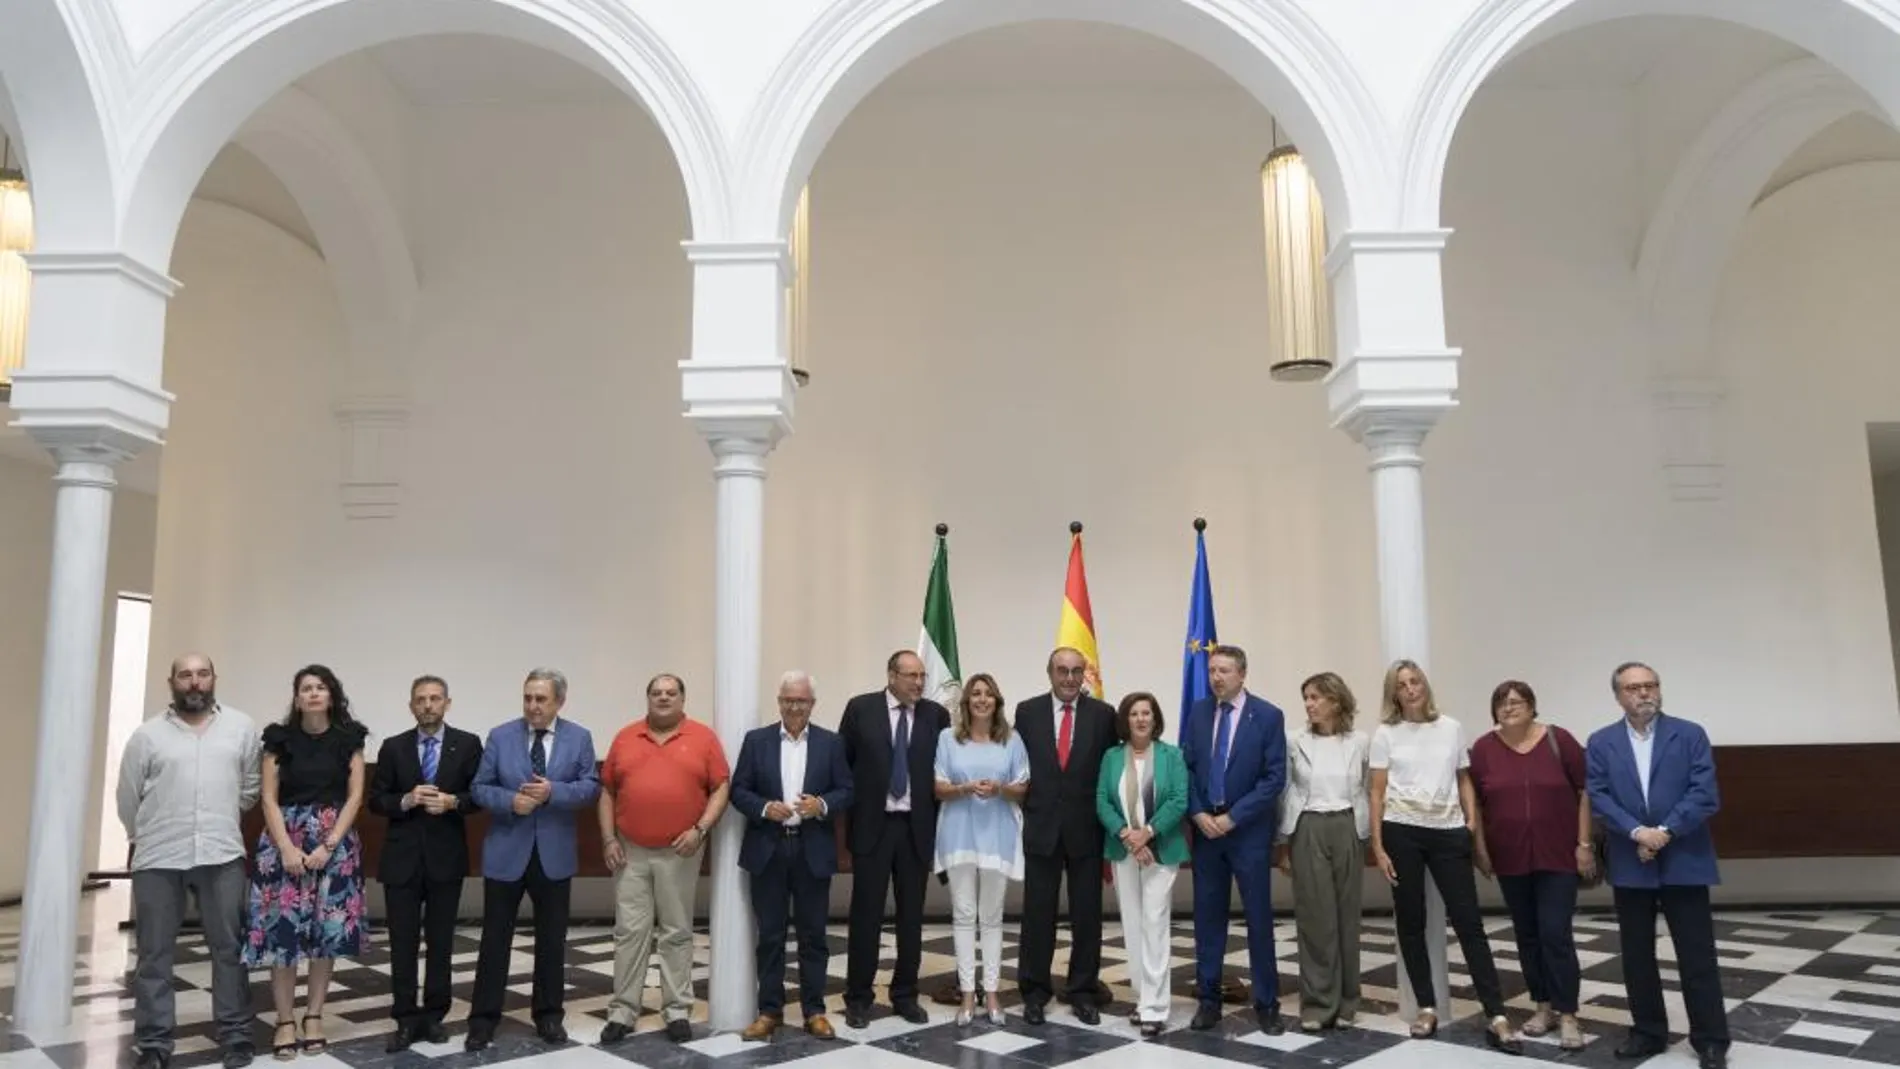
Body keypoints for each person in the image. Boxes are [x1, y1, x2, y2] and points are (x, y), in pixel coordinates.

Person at [1368, 659, 1520, 1054]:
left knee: (1469, 922)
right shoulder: (1385, 733)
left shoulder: (1450, 728)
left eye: (1415, 681)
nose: (1411, 689)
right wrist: (1379, 846)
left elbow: (1463, 777)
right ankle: (1426, 1006)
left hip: (1448, 832)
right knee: (1411, 922)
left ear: (1425, 685)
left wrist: (1470, 821)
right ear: (1394, 693)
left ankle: (1496, 1013)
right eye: (1402, 685)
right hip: (1402, 832)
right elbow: (1377, 793)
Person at [118, 654, 261, 1069]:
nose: (194, 682)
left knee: (229, 949)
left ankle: (235, 1036)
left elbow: (249, 787)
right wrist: (143, 834)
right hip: (160, 855)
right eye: (185, 675)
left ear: (214, 678)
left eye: (202, 674)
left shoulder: (241, 728)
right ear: (172, 682)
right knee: (154, 954)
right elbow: (128, 797)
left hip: (221, 852)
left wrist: (218, 814)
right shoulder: (147, 736)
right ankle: (155, 1043)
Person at [1586, 662, 1728, 1069]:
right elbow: (1599, 795)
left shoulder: (1690, 734)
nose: (1644, 693)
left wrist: (1662, 832)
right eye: (1634, 688)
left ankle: (1711, 1039)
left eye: (1651, 685)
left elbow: (1704, 794)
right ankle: (1648, 1032)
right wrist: (1637, 833)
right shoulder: (1601, 741)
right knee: (1636, 954)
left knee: (1696, 953)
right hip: (1631, 861)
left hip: (1685, 857)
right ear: (1618, 696)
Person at [465, 669, 601, 1051]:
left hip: (554, 855)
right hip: (506, 851)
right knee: (494, 940)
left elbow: (590, 787)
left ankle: (549, 1017)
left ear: (559, 701)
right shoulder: (501, 735)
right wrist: (511, 801)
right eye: (527, 698)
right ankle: (483, 1020)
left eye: (541, 699)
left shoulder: (579, 737)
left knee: (552, 941)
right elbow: (479, 788)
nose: (532, 706)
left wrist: (552, 792)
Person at [245, 664, 370, 1061]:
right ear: (296, 697)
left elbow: (354, 797)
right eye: (306, 688)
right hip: (285, 839)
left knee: (325, 935)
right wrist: (285, 847)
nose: (313, 693)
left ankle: (313, 1015)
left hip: (334, 843)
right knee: (283, 935)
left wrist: (329, 844)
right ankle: (284, 1020)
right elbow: (268, 797)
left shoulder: (350, 738)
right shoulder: (278, 740)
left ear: (332, 695)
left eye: (321, 687)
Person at [598, 674, 731, 1044]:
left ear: (683, 699)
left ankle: (676, 1011)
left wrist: (701, 829)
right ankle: (623, 1011)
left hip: (680, 850)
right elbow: (606, 791)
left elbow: (721, 785)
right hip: (629, 850)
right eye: (656, 693)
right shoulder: (626, 737)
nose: (663, 698)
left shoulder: (702, 738)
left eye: (671, 693)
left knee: (676, 932)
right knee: (629, 932)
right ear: (647, 699)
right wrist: (609, 838)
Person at [1468, 679, 1594, 1051]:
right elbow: (1474, 801)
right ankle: (1542, 1007)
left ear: (1532, 705)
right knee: (1527, 935)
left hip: (1559, 855)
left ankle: (1568, 1012)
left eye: (1518, 701)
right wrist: (1481, 850)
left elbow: (1585, 791)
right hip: (1509, 856)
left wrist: (1584, 844)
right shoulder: (1483, 749)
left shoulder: (1559, 739)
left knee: (1555, 934)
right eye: (1502, 702)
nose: (1510, 707)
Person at [732, 671, 853, 1041]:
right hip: (768, 848)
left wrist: (823, 804)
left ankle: (814, 1010)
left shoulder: (831, 743)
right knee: (769, 934)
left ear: (813, 704)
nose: (794, 706)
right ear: (779, 701)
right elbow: (739, 790)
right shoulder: (757, 741)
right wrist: (766, 807)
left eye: (801, 700)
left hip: (812, 848)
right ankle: (770, 1011)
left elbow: (848, 790)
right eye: (788, 700)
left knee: (813, 935)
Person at [368, 675, 484, 1052]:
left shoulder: (467, 745)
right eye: (421, 700)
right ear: (411, 706)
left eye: (435, 699)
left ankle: (434, 1016)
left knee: (440, 943)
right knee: (402, 943)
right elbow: (376, 800)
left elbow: (478, 795)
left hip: (446, 860)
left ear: (448, 703)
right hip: (401, 860)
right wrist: (405, 799)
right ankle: (404, 1017)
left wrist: (453, 803)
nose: (428, 705)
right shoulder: (393, 747)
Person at [838, 650, 950, 1029]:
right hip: (874, 827)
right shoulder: (861, 709)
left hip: (916, 829)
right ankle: (858, 997)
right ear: (891, 675)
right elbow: (843, 765)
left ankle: (905, 994)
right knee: (866, 916)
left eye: (922, 676)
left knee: (911, 918)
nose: (918, 683)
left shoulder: (936, 716)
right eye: (910, 675)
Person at [1182, 645, 1287, 1034]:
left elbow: (1274, 778)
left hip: (1247, 834)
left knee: (1258, 918)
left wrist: (1232, 817)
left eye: (1224, 670)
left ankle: (1267, 1002)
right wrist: (1197, 813)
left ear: (1242, 674)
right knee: (1208, 920)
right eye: (1212, 670)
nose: (1216, 677)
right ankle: (1208, 1000)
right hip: (1207, 833)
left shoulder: (1268, 716)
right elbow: (1186, 768)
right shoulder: (1198, 713)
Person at [1014, 647, 1117, 1025]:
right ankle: (1034, 992)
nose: (1070, 678)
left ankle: (1083, 990)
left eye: (1076, 671)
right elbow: (1019, 767)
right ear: (1050, 673)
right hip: (1041, 828)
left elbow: (1110, 771)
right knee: (1037, 915)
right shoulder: (1027, 712)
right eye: (1062, 671)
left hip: (1086, 830)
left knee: (1087, 916)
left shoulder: (1104, 716)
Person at [932, 673, 1031, 1027]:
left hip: (999, 837)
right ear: (966, 701)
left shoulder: (1012, 740)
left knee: (992, 916)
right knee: (963, 915)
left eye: (988, 694)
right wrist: (966, 788)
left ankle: (991, 993)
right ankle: (967, 994)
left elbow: (1022, 788)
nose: (982, 699)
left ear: (997, 701)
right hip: (958, 835)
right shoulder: (947, 738)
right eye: (975, 693)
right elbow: (938, 787)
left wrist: (1001, 788)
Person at [1275, 671, 1369, 1033]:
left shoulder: (1359, 741)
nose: (1309, 705)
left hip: (1347, 826)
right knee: (1315, 920)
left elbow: (1366, 789)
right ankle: (1317, 1004)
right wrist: (1282, 845)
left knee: (1347, 918)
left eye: (1316, 697)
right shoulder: (1294, 740)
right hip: (1308, 827)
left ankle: (1348, 1001)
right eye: (1307, 698)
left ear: (1335, 701)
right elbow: (1285, 790)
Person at [1095, 691, 1188, 1037]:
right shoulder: (1111, 757)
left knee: (1154, 922)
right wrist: (1127, 836)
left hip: (1160, 853)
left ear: (1155, 718)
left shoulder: (1171, 756)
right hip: (1124, 851)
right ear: (1126, 719)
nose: (1141, 719)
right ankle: (1142, 997)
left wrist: (1146, 834)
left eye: (1147, 712)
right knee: (1132, 925)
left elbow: (1179, 800)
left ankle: (1156, 1007)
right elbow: (1102, 801)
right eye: (1134, 713)